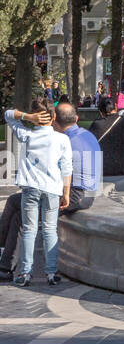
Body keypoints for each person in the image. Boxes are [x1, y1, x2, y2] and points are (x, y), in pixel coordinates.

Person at [3, 100, 71, 287]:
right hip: (52, 189)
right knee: (50, 230)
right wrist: (66, 193)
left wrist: (25, 117)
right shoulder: (62, 139)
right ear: (54, 117)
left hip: (30, 188)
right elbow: (66, 169)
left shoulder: (26, 135)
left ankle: (25, 273)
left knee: (29, 231)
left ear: (35, 117)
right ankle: (51, 273)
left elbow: (8, 115)